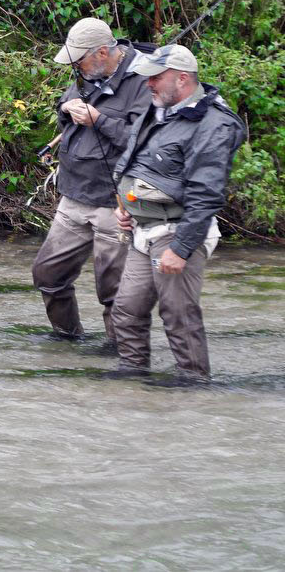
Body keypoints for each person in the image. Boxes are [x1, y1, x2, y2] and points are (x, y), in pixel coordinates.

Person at [109, 44, 245, 380]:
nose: (148, 84)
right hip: (143, 229)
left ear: (182, 78)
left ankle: (194, 388)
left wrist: (181, 249)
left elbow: (206, 193)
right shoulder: (159, 109)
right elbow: (133, 164)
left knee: (178, 314)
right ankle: (132, 379)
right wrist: (124, 206)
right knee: (126, 310)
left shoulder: (215, 124)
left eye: (156, 77)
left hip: (177, 232)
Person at [31, 18, 152, 341]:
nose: (74, 68)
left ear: (102, 52)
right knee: (47, 275)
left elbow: (144, 141)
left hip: (116, 204)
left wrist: (99, 119)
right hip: (73, 196)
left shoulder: (144, 81)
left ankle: (121, 358)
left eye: (78, 60)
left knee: (114, 290)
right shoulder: (87, 72)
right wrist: (66, 108)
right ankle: (68, 340)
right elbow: (65, 108)